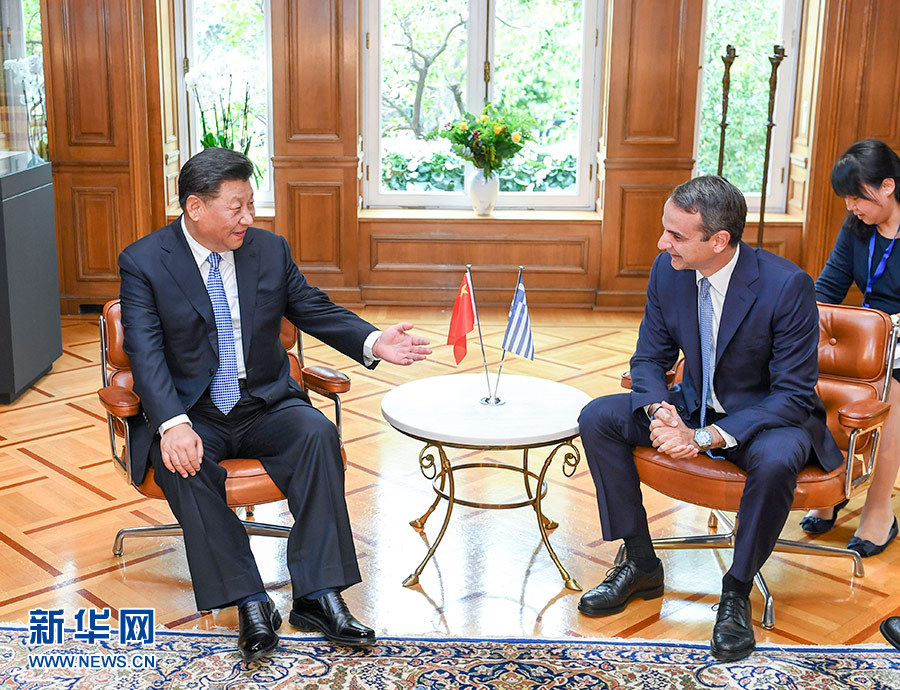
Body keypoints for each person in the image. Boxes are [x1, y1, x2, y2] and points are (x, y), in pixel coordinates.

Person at [118, 147, 432, 662]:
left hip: (263, 400)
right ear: (195, 207)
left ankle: (318, 596)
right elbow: (145, 352)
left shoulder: (268, 249)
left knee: (316, 434)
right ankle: (249, 599)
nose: (249, 217)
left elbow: (312, 307)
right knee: (182, 463)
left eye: (250, 204)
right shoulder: (145, 262)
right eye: (236, 207)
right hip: (192, 409)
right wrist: (172, 422)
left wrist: (374, 341)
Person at [577, 175, 842, 662]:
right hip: (691, 406)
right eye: (665, 229)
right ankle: (641, 564)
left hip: (764, 420)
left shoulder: (786, 286)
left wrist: (702, 437)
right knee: (599, 417)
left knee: (778, 458)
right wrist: (660, 412)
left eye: (676, 235)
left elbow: (792, 395)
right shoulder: (669, 270)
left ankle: (737, 589)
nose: (662, 243)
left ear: (719, 240)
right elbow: (649, 358)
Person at [801, 139, 900, 557]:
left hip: (898, 339)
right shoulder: (857, 227)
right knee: (809, 373)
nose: (851, 207)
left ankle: (879, 509)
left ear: (888, 186)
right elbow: (828, 286)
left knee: (890, 391)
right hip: (869, 332)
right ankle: (831, 484)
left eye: (858, 197)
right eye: (846, 198)